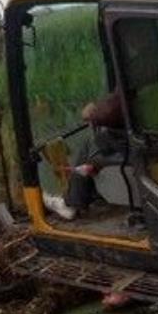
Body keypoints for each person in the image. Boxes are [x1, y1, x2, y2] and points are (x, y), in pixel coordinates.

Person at [42, 90, 125, 221]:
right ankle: (83, 197)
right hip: (142, 144)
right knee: (91, 142)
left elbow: (116, 103)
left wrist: (94, 112)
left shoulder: (133, 83)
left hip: (134, 152)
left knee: (92, 158)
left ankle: (71, 203)